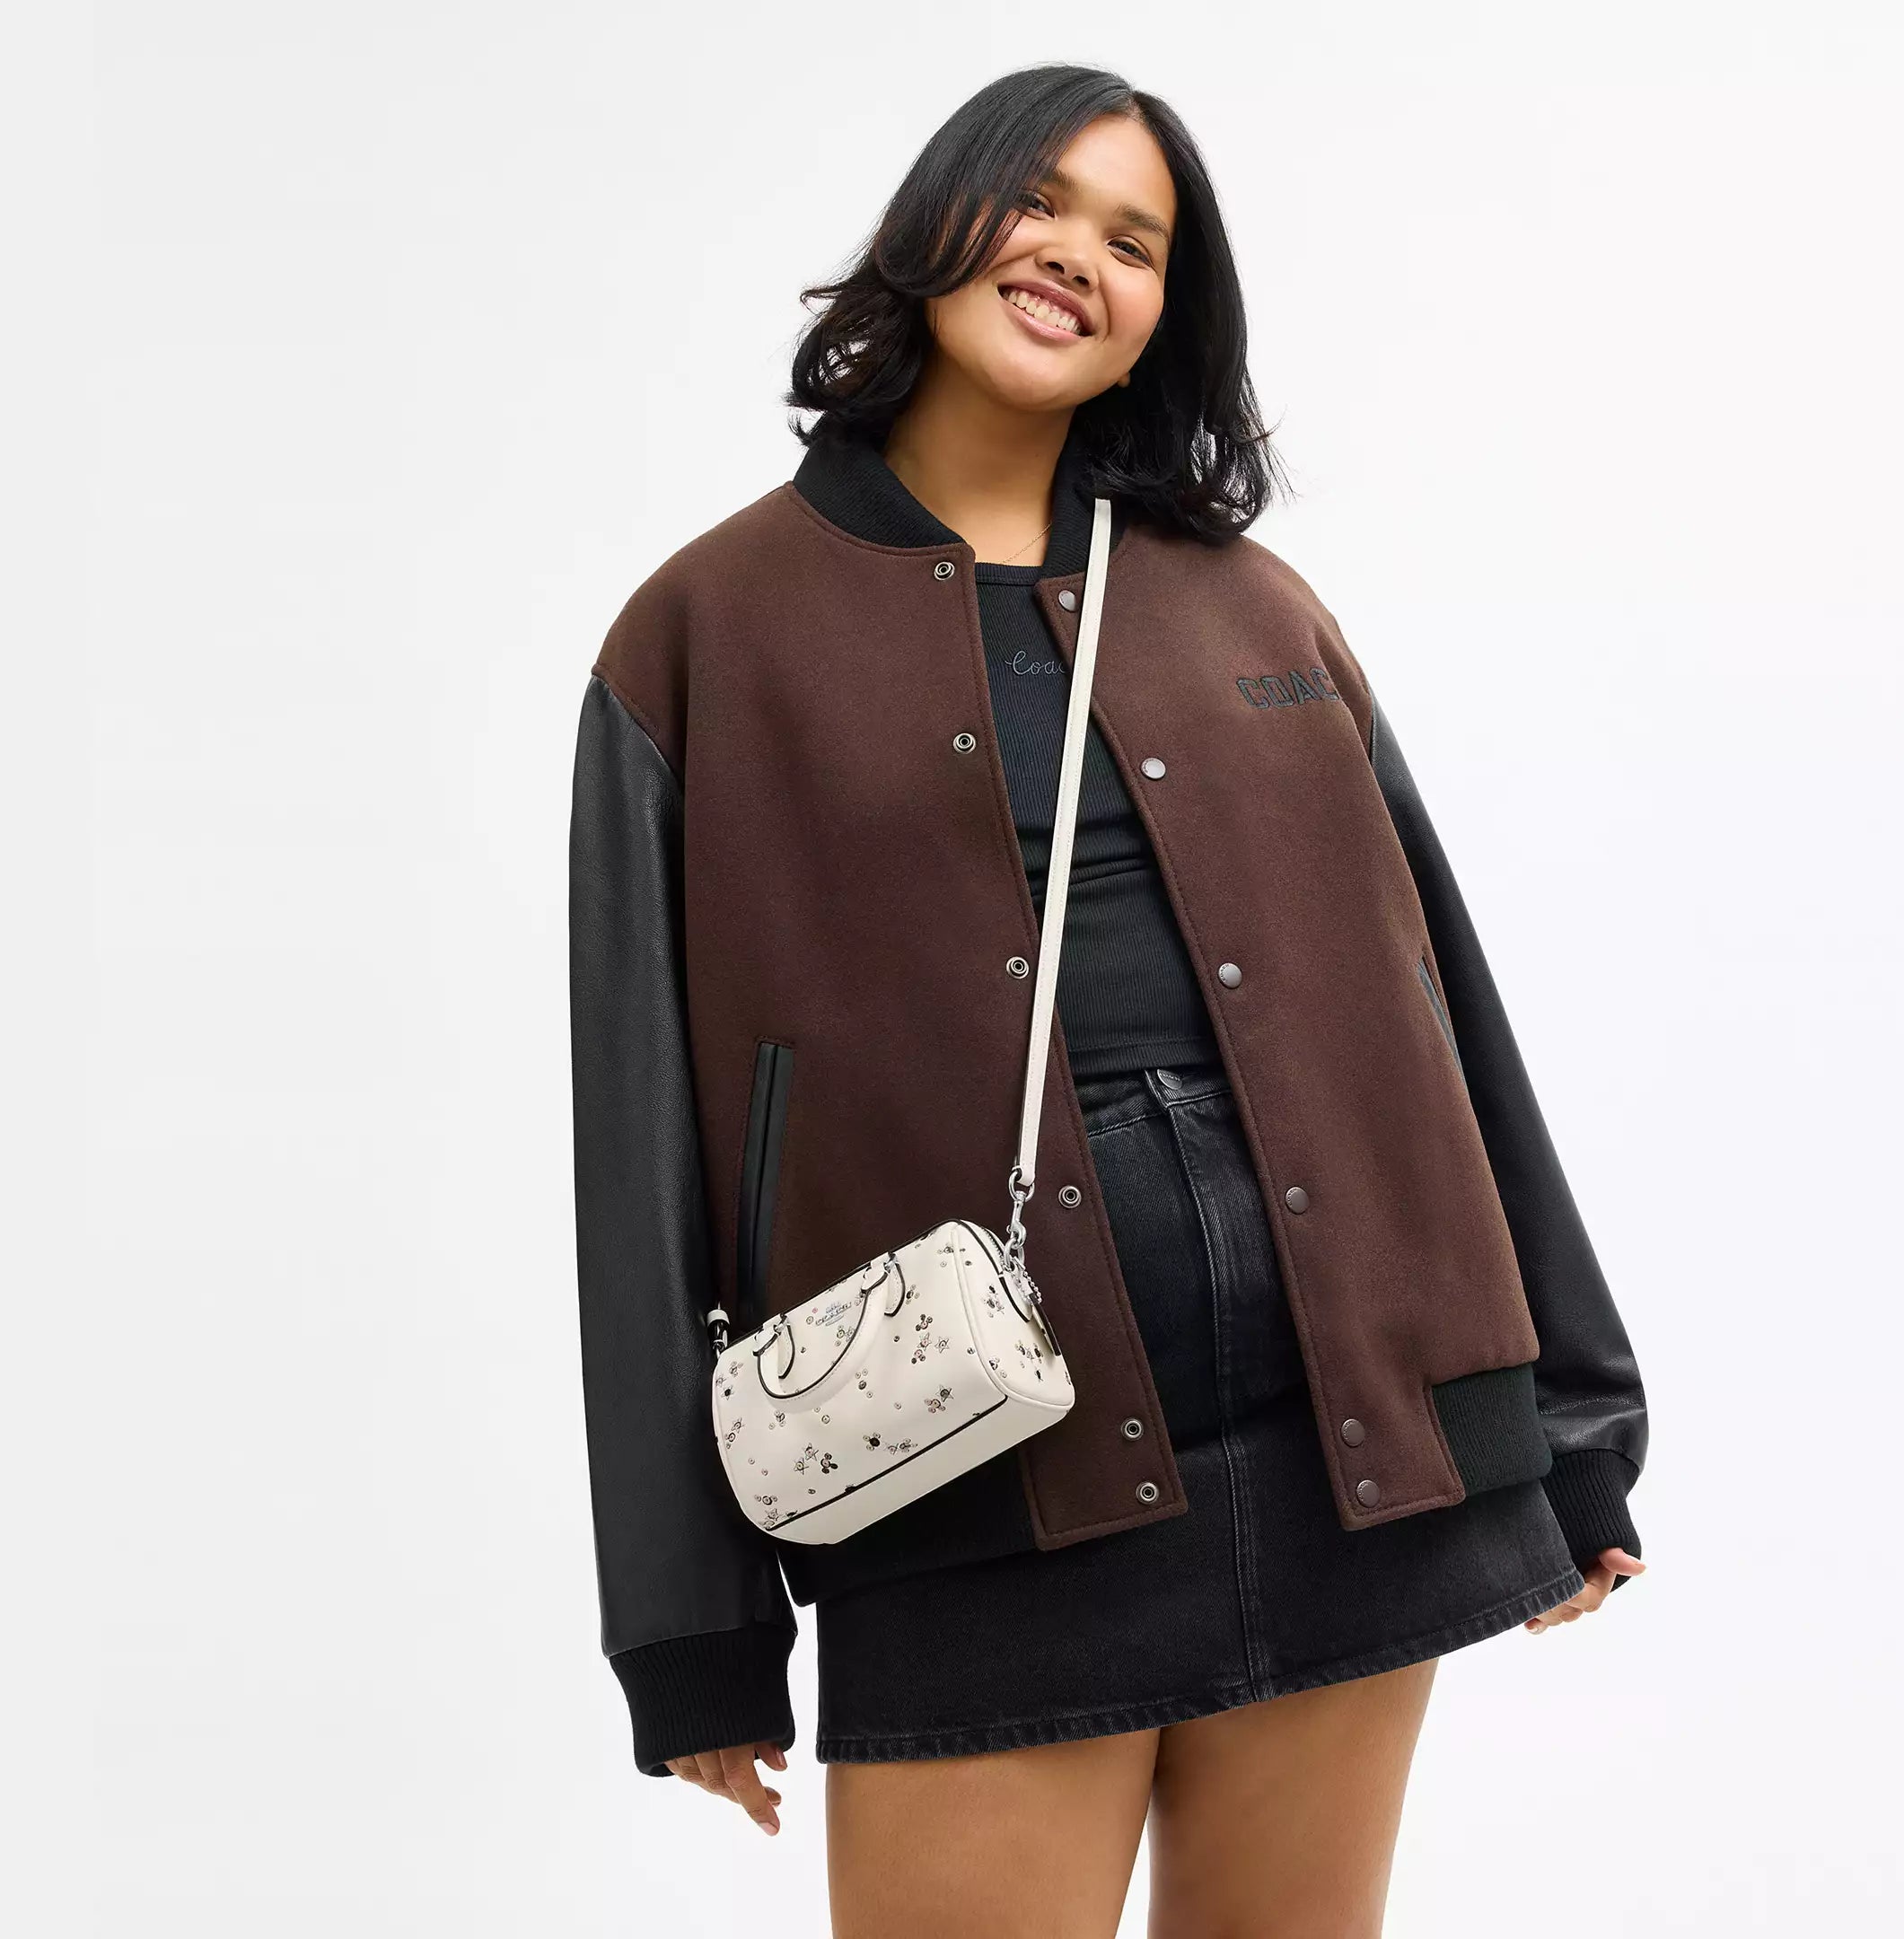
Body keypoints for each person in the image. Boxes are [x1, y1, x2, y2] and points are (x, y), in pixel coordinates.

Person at [568, 62, 1649, 1939]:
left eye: (1135, 241)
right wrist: (690, 1632)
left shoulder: (1255, 608)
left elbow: (1436, 1014)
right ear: (937, 222)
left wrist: (1566, 1430)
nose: (1079, 254)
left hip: (1347, 1459)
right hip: (970, 1473)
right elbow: (640, 1154)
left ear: (1165, 316)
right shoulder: (705, 634)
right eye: (1043, 201)